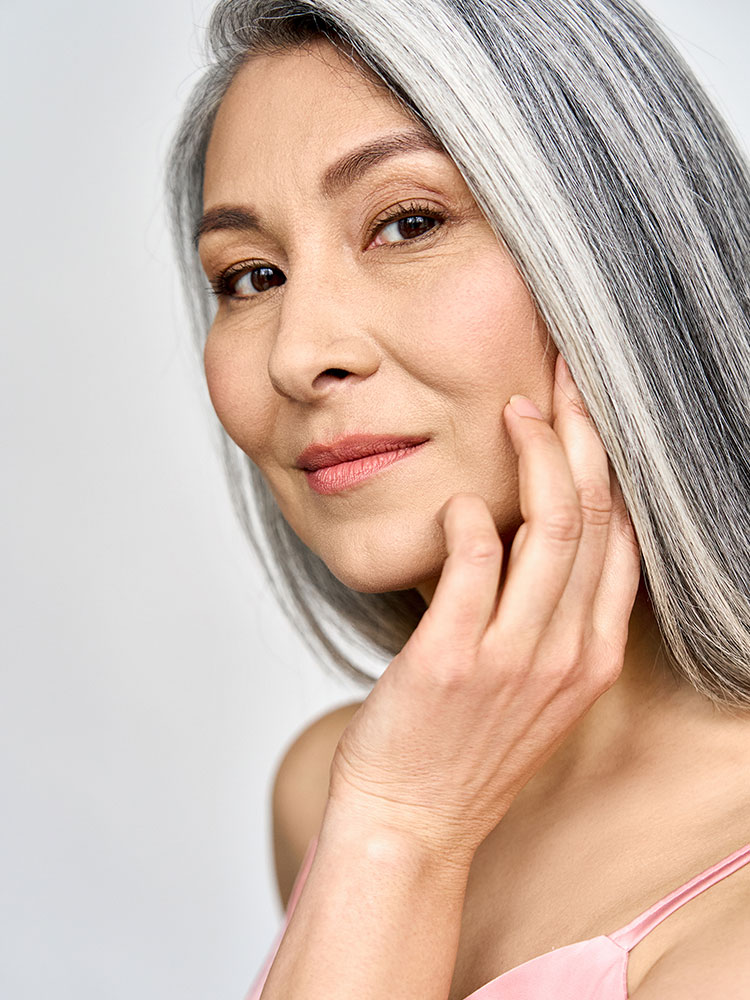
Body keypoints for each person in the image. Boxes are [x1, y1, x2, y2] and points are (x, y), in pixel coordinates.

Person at [165, 0, 750, 997]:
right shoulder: (334, 786)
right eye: (251, 275)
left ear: (623, 262)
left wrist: (401, 823)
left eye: (409, 223)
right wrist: (396, 824)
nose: (302, 355)